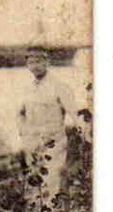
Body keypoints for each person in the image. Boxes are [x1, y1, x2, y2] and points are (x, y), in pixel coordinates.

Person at [17, 48, 74, 199]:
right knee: (32, 187)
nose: (34, 66)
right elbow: (20, 113)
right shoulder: (27, 89)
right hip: (32, 144)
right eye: (30, 62)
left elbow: (73, 114)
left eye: (38, 61)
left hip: (53, 145)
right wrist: (24, 134)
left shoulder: (59, 86)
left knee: (50, 184)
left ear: (47, 62)